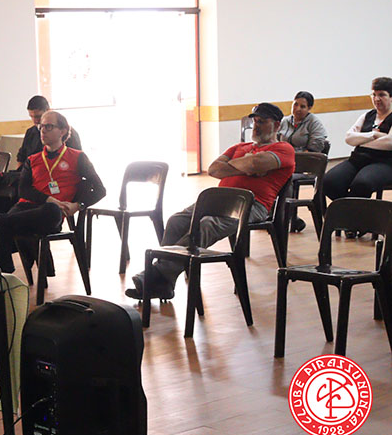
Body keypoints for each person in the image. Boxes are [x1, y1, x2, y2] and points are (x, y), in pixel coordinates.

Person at [125, 103, 294, 300]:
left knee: (206, 225)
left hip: (251, 204)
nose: (256, 126)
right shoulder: (239, 147)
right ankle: (165, 282)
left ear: (277, 126)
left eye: (262, 122)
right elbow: (214, 169)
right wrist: (246, 166)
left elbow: (255, 163)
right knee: (176, 221)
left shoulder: (283, 149)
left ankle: (155, 275)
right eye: (255, 121)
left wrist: (243, 164)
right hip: (218, 199)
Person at [0, 110, 105, 273]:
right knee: (8, 222)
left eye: (49, 126)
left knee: (48, 211)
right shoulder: (33, 159)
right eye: (41, 127)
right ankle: (5, 274)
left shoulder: (77, 157)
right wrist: (48, 198)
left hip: (50, 213)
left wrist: (77, 205)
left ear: (63, 131)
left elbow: (100, 190)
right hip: (25, 208)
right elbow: (23, 190)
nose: (43, 130)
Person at [323, 77, 392, 222]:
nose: (376, 99)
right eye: (374, 94)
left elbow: (389, 143)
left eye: (382, 95)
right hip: (357, 159)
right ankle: (357, 218)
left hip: (383, 162)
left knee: (361, 184)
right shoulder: (367, 116)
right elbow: (349, 138)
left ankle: (354, 221)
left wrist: (360, 140)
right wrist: (373, 135)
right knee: (329, 182)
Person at [277, 91, 328, 232]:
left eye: (303, 106)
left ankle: (285, 217)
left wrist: (295, 158)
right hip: (285, 163)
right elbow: (276, 141)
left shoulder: (314, 123)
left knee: (285, 177)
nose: (298, 109)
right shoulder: (285, 121)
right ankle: (274, 213)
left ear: (309, 108)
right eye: (295, 104)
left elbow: (316, 148)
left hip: (305, 166)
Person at [15, 95, 82, 170]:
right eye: (31, 116)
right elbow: (21, 159)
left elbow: (77, 161)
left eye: (38, 116)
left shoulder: (68, 133)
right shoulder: (30, 132)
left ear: (48, 111)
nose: (35, 121)